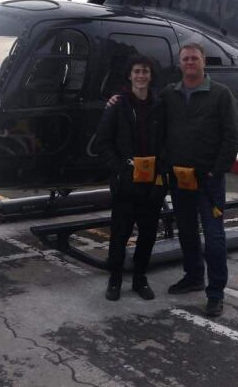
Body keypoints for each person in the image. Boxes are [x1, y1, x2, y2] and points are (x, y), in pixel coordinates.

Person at [162, 43, 238, 317]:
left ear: (204, 62)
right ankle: (194, 276)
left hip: (208, 180)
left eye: (195, 58)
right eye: (186, 59)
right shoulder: (169, 94)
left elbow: (232, 136)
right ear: (180, 63)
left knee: (215, 238)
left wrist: (216, 170)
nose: (190, 62)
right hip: (180, 178)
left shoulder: (220, 94)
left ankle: (216, 292)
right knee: (186, 232)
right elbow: (151, 115)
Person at [95, 55, 166, 301]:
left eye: (145, 71)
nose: (141, 76)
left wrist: (162, 172)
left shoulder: (159, 105)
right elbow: (102, 141)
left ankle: (139, 278)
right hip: (126, 180)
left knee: (148, 234)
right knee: (120, 234)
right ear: (129, 75)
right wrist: (119, 168)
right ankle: (114, 279)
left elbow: (167, 140)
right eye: (136, 71)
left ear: (151, 75)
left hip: (152, 181)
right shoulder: (118, 105)